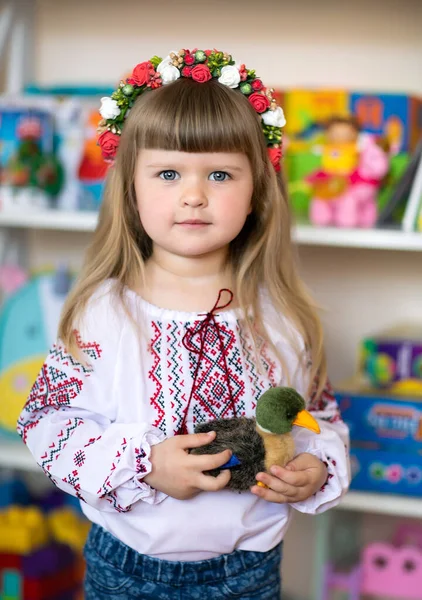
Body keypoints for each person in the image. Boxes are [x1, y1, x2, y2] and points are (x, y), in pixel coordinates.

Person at [17, 48, 350, 599]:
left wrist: (314, 468)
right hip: (127, 568)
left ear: (256, 193)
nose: (194, 195)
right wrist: (145, 465)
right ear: (132, 186)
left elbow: (319, 418)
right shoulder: (103, 312)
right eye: (168, 173)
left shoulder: (285, 317)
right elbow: (48, 424)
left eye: (220, 174)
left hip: (250, 570)